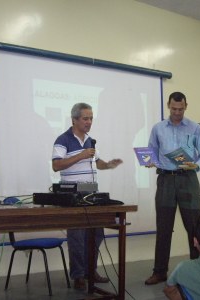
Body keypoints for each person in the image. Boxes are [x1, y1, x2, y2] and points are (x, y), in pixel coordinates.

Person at [52, 102, 123, 291]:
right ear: (74, 119)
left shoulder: (91, 141)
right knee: (76, 235)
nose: (89, 122)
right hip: (72, 192)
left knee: (96, 232)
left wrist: (108, 165)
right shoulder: (63, 139)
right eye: (85, 118)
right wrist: (81, 155)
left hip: (90, 189)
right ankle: (78, 276)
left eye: (91, 118)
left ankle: (90, 271)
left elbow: (97, 163)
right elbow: (56, 165)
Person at [145, 91, 200, 285]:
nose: (177, 112)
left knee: (194, 228)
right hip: (165, 181)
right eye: (174, 109)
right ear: (168, 105)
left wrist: (197, 165)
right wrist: (150, 160)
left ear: (186, 106)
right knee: (163, 228)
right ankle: (159, 272)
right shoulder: (158, 128)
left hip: (188, 180)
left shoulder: (195, 128)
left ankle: (198, 271)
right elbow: (151, 152)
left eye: (180, 109)